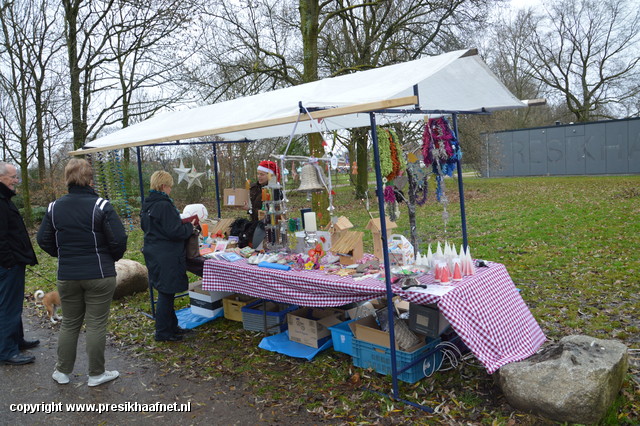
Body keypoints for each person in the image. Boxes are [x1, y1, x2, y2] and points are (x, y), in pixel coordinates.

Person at [37, 158, 127, 386]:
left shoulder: (54, 207)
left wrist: (63, 254)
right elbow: (119, 239)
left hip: (68, 274)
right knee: (96, 323)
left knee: (70, 322)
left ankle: (62, 371)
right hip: (99, 274)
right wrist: (111, 257)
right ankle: (96, 374)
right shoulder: (101, 206)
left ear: (67, 178)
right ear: (89, 179)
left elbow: (43, 240)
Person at [140, 171, 195, 342]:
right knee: (166, 293)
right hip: (166, 254)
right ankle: (163, 332)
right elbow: (175, 231)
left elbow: (147, 227)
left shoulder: (148, 204)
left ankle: (172, 327)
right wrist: (190, 228)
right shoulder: (163, 205)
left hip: (154, 251)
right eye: (170, 186)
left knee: (166, 292)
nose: (171, 189)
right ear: (164, 186)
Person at [0, 162, 39, 366]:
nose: (16, 180)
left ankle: (17, 340)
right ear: (1, 177)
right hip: (8, 264)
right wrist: (7, 262)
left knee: (14, 304)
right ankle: (7, 351)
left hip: (14, 261)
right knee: (8, 306)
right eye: (13, 177)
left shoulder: (5, 198)